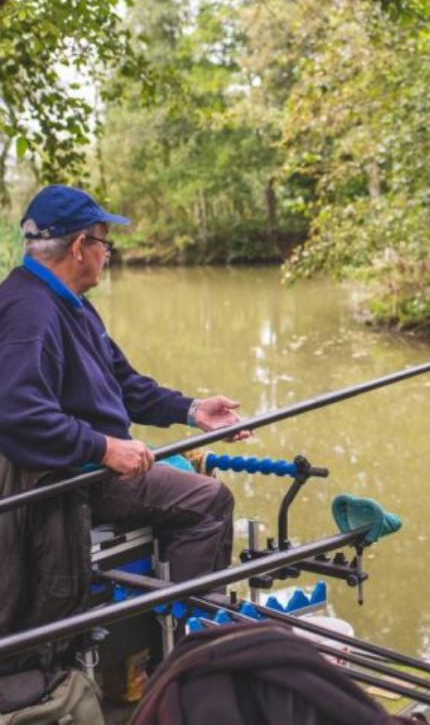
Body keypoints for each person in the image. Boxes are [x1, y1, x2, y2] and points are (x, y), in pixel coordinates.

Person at [0, 184, 248, 607]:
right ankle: (189, 639)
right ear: (80, 246)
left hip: (90, 460)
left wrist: (192, 411)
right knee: (209, 500)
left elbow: (124, 383)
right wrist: (103, 448)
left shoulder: (71, 303)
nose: (107, 252)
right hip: (71, 477)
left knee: (191, 487)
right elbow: (18, 414)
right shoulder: (31, 313)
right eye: (103, 242)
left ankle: (178, 617)